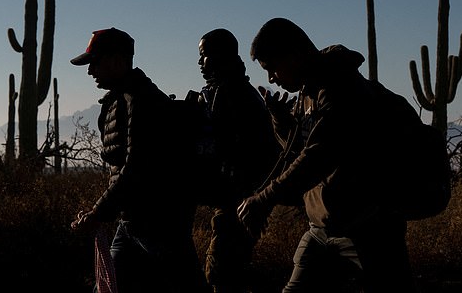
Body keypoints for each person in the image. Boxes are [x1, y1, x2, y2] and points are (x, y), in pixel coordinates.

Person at [237, 18, 417, 292]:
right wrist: (279, 120)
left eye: (272, 68)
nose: (271, 78)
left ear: (295, 55)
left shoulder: (340, 88)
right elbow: (299, 150)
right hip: (322, 227)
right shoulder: (308, 92)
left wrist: (264, 199)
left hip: (368, 229)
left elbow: (320, 154)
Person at [70, 27, 209, 293]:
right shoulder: (121, 100)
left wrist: (98, 213)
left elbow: (136, 166)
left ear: (117, 60)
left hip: (160, 223)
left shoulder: (141, 101)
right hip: (132, 221)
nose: (90, 71)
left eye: (95, 63)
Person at [186, 28, 279, 293]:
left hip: (239, 202)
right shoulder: (225, 91)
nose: (199, 62)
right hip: (235, 201)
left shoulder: (233, 95)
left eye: (203, 55)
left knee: (222, 274)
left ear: (219, 56)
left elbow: (234, 151)